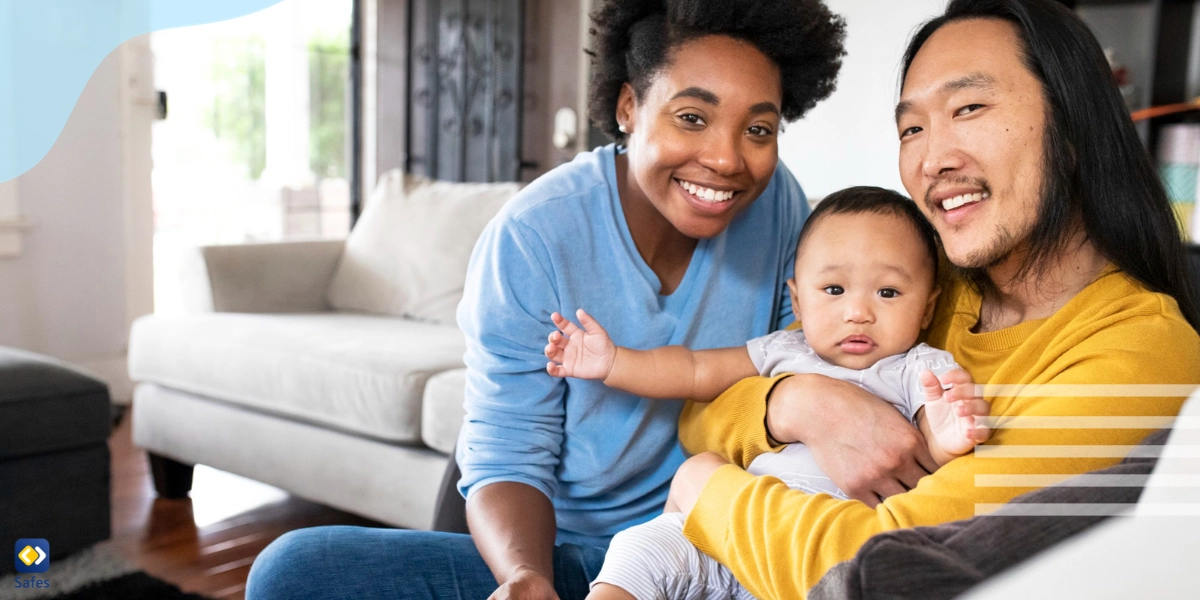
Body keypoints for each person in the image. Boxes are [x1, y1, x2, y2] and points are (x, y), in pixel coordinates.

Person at [244, 2, 848, 599]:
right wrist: (525, 578)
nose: (726, 158)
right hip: (570, 552)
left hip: (709, 550)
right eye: (692, 117)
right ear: (629, 107)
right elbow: (508, 450)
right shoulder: (534, 235)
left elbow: (789, 364)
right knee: (293, 571)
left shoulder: (780, 210)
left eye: (759, 129)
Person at [658, 1, 1200, 598]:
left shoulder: (1140, 352)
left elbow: (874, 573)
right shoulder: (920, 278)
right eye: (912, 128)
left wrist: (702, 485)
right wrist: (800, 404)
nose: (931, 161)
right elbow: (703, 412)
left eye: (969, 108)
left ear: (1073, 129)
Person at [542, 187, 993, 600]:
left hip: (802, 562)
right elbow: (695, 370)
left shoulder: (920, 367)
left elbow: (930, 443)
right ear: (797, 301)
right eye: (833, 289)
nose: (858, 312)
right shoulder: (785, 348)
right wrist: (616, 363)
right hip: (727, 540)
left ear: (928, 306)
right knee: (640, 547)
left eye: (888, 292)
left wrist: (949, 438)